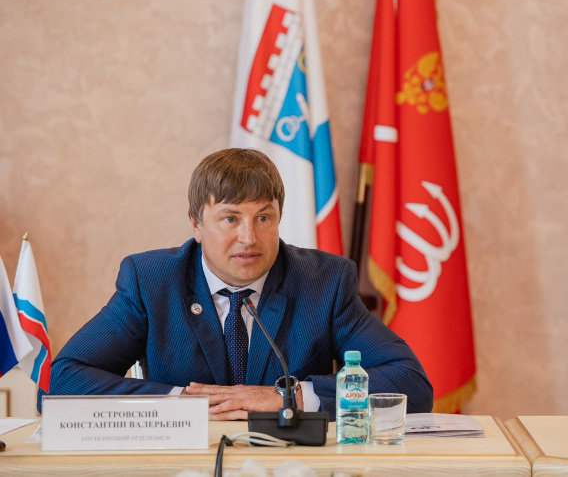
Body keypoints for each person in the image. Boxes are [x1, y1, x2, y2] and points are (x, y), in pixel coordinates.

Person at [39, 148, 433, 420]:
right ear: (196, 225)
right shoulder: (152, 281)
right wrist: (182, 402)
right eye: (230, 219)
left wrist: (289, 396)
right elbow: (62, 380)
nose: (249, 238)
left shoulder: (324, 282)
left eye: (263, 218)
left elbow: (411, 385)